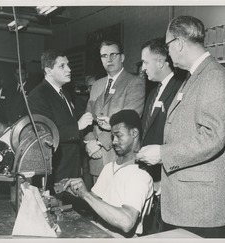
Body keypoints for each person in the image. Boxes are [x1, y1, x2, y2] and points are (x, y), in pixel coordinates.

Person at [136, 15, 225, 238]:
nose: (168, 52)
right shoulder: (195, 77)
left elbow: (213, 137)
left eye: (168, 45)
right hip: (187, 203)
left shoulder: (213, 77)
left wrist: (163, 153)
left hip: (200, 208)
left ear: (179, 44)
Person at [63, 110, 153, 237]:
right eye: (113, 137)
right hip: (99, 232)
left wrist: (86, 195)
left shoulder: (139, 174)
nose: (114, 141)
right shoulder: (109, 167)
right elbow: (93, 203)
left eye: (119, 136)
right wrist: (77, 192)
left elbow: (127, 222)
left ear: (134, 133)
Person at [27, 49, 93, 190]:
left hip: (72, 168)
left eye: (68, 65)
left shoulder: (65, 94)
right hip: (56, 171)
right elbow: (45, 134)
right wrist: (77, 126)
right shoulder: (38, 95)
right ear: (48, 71)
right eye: (62, 66)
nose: (69, 69)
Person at [85, 40, 145, 183]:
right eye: (104, 56)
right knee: (97, 203)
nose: (109, 59)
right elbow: (88, 118)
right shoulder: (97, 85)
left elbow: (128, 122)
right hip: (97, 159)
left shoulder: (134, 83)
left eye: (113, 55)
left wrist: (99, 143)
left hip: (120, 158)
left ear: (122, 57)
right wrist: (89, 142)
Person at [140, 37, 185, 232]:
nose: (143, 68)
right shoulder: (153, 92)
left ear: (160, 62)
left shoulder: (180, 89)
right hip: (151, 174)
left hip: (167, 176)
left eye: (145, 62)